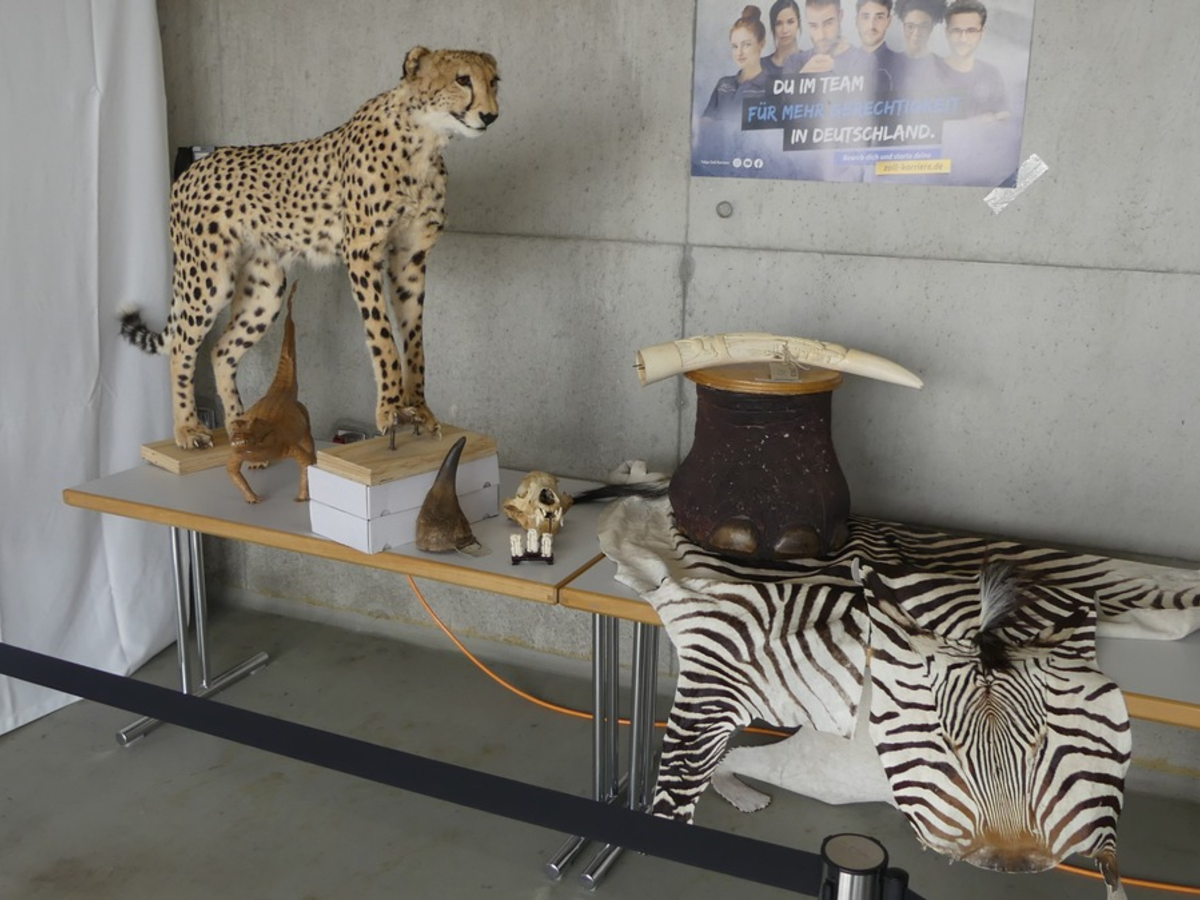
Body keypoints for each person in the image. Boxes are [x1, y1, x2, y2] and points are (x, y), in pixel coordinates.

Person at [937, 0, 1009, 119]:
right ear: (946, 32)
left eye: (971, 31)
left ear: (982, 33)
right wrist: (973, 123)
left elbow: (1004, 116)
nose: (963, 39)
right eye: (956, 30)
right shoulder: (931, 71)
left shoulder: (991, 73)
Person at [702, 5, 771, 122]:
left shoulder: (771, 88)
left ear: (761, 44)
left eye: (746, 45)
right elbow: (705, 125)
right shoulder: (723, 85)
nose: (739, 53)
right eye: (735, 46)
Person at [797, 0, 875, 78]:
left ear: (840, 16)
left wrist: (837, 69)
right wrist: (801, 76)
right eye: (813, 26)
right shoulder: (796, 62)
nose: (821, 36)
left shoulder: (865, 61)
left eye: (828, 23)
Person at [893, 0, 947, 95]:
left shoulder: (943, 67)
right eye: (910, 26)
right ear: (904, 27)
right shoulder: (891, 63)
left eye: (923, 26)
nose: (916, 33)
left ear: (931, 28)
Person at [854, 0, 905, 91]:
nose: (871, 26)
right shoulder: (842, 66)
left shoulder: (903, 66)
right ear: (857, 21)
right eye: (865, 17)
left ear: (888, 21)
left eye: (879, 17)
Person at [762, 0, 809, 76]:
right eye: (778, 23)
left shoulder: (810, 62)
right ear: (772, 27)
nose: (785, 30)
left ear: (799, 23)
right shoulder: (761, 67)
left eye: (790, 22)